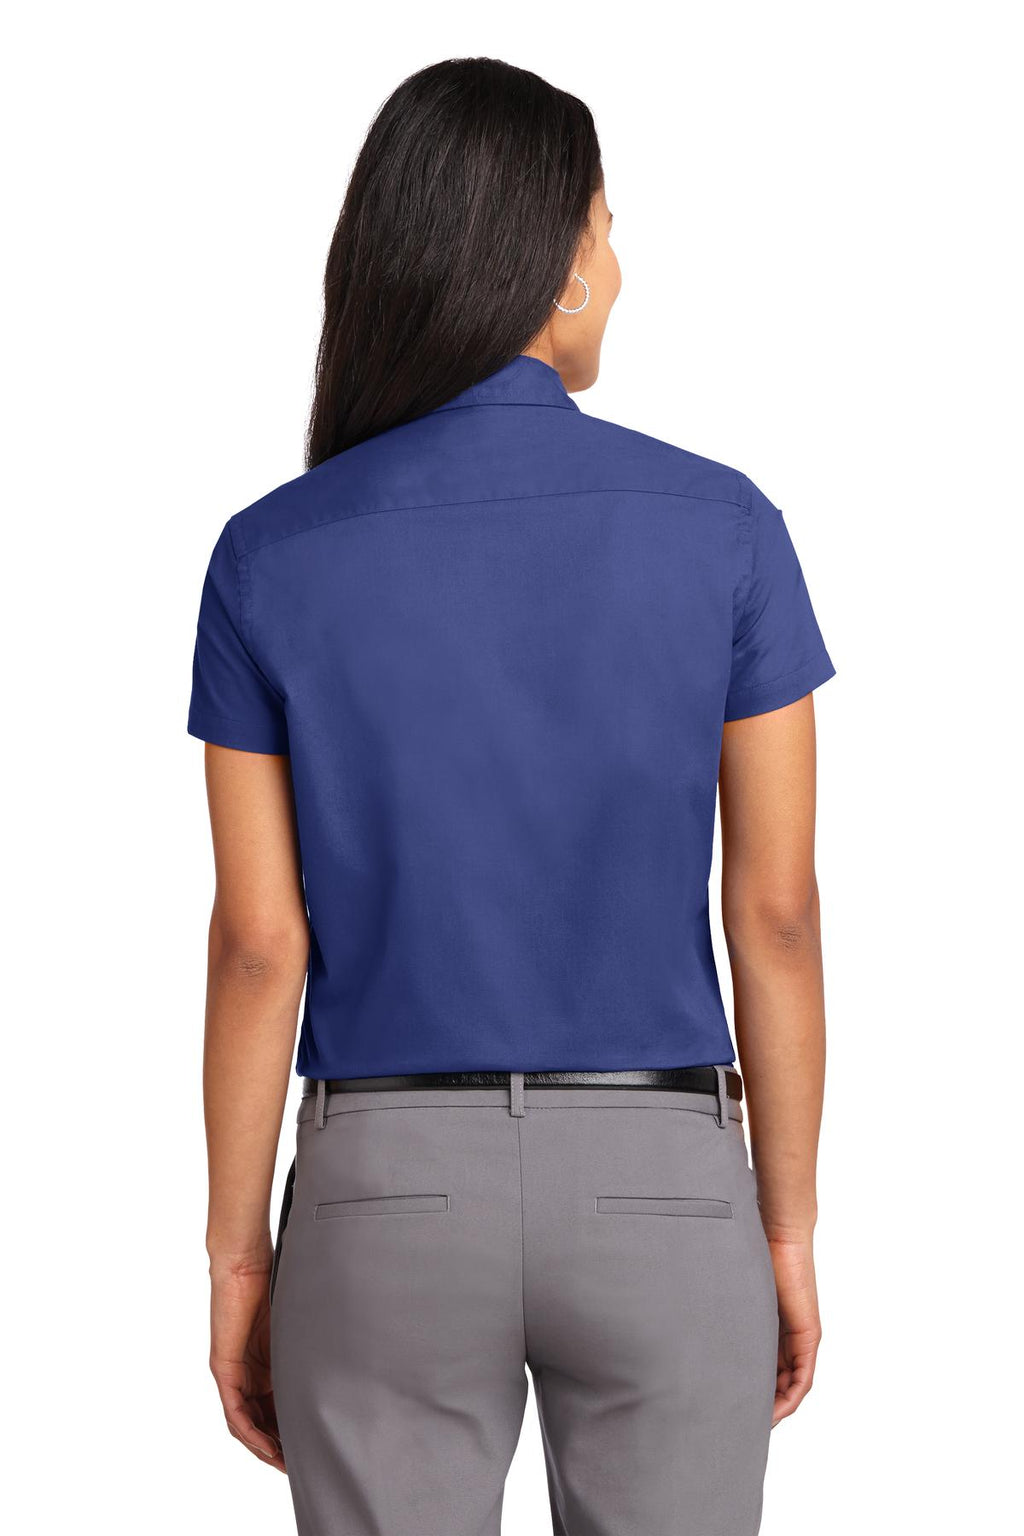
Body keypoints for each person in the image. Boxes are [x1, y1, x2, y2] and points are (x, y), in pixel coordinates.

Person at [188, 56, 835, 1536]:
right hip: (665, 1185)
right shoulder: (725, 527)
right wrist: (785, 1226)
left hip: (381, 1196)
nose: (621, 264)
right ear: (556, 260)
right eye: (610, 223)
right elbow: (778, 915)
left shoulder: (270, 553)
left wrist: (238, 1255)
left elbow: (260, 945)